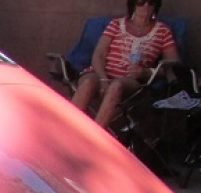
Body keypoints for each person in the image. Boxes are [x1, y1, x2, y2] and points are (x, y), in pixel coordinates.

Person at [71, 0, 179, 130]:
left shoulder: (163, 31)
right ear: (133, 4)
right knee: (88, 83)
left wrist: (146, 72)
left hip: (131, 80)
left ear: (156, 6)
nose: (146, 6)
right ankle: (66, 130)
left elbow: (173, 65)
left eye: (151, 2)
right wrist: (103, 79)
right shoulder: (116, 24)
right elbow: (98, 54)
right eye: (140, 2)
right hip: (101, 72)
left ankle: (94, 136)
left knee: (117, 86)